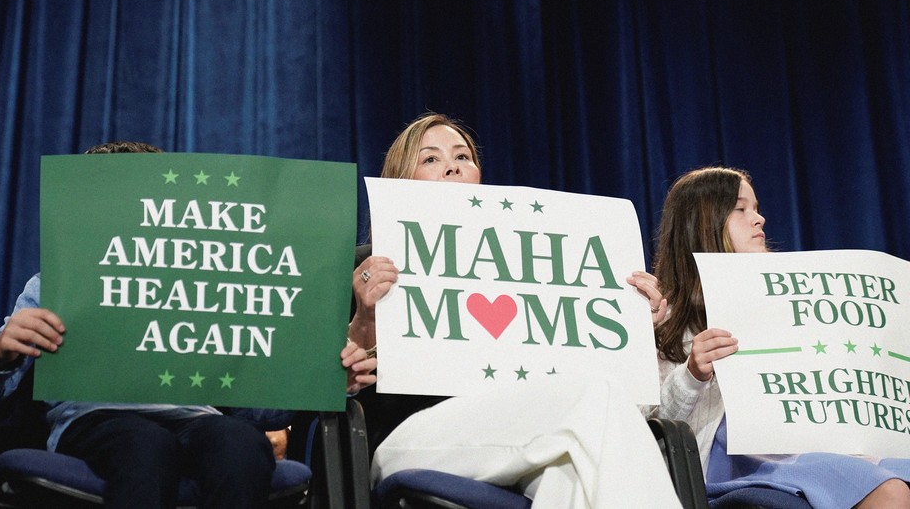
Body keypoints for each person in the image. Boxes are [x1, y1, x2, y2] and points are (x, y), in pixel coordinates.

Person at [0, 141, 376, 509]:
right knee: (144, 446)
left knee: (243, 444)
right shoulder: (59, 282)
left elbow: (262, 409)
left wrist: (327, 379)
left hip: (198, 418)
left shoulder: (206, 290)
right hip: (97, 422)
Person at [349, 113, 681, 508]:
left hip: (525, 433)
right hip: (408, 439)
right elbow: (330, 389)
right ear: (400, 180)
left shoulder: (530, 261)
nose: (453, 165)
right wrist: (365, 320)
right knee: (596, 398)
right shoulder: (367, 268)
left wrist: (634, 327)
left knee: (572, 474)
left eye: (463, 156)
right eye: (431, 159)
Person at [650, 166, 910, 508]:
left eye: (756, 208)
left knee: (894, 472)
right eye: (741, 209)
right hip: (733, 467)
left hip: (806, 454)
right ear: (703, 221)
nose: (759, 219)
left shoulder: (795, 306)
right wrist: (692, 374)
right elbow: (648, 426)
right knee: (887, 489)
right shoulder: (664, 318)